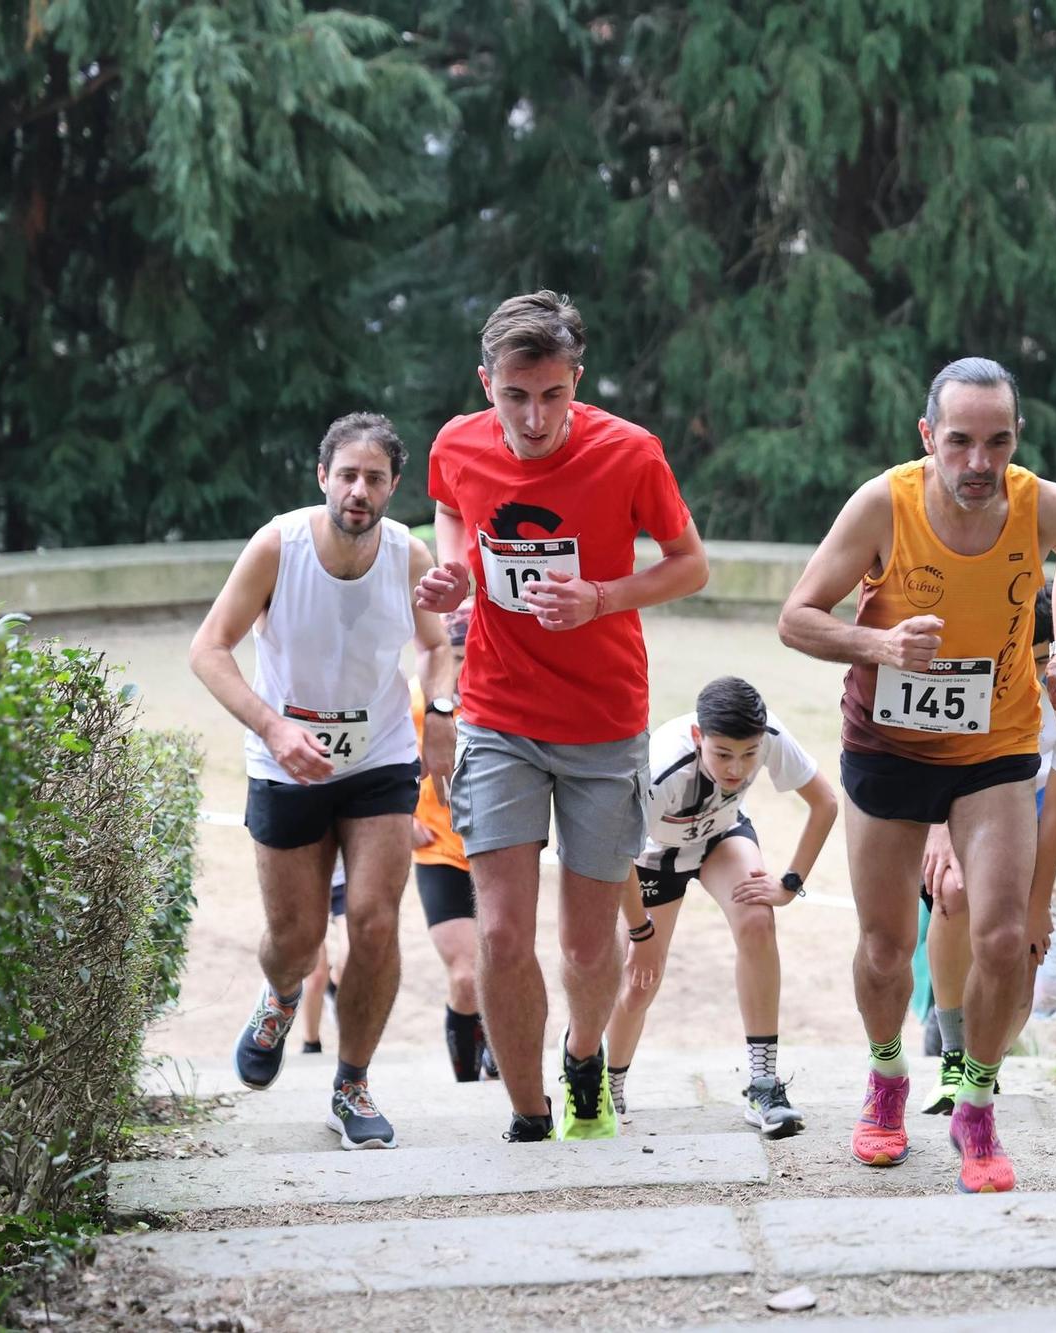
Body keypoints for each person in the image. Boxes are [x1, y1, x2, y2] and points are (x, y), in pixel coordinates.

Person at [779, 356, 1056, 1194]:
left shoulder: (1045, 507)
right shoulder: (884, 503)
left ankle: (979, 1103)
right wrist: (878, 644)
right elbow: (797, 618)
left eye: (997, 441)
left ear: (1016, 439)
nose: (979, 462)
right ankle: (887, 1078)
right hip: (887, 748)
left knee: (1000, 936)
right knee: (887, 948)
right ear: (930, 437)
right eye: (960, 441)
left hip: (994, 747)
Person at [415, 290, 708, 1143]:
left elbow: (690, 565)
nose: (535, 417)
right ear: (487, 384)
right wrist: (455, 567)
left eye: (553, 394)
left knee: (585, 948)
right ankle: (529, 1111)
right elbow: (447, 505)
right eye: (515, 395)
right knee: (502, 935)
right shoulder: (457, 444)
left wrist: (601, 597)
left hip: (601, 721)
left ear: (576, 380)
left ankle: (586, 1055)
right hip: (498, 714)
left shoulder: (631, 452)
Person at [190, 412, 454, 1150]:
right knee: (297, 938)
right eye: (347, 475)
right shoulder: (278, 546)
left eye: (375, 478)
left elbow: (438, 648)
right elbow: (208, 648)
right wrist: (273, 728)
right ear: (322, 477)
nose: (359, 490)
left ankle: (352, 1083)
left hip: (377, 763)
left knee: (373, 920)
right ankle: (278, 998)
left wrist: (439, 709)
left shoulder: (408, 555)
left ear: (394, 486)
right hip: (286, 763)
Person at [606, 676, 840, 1137]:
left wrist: (790, 883)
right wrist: (641, 933)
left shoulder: (767, 735)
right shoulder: (662, 768)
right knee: (639, 982)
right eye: (723, 755)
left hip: (719, 836)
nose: (738, 769)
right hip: (651, 859)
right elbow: (617, 858)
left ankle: (764, 1084)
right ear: (699, 738)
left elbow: (826, 803)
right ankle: (607, 1086)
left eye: (749, 755)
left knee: (758, 921)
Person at [920, 586, 1056, 1113]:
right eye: (1028, 659)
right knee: (952, 892)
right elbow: (936, 753)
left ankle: (987, 1062)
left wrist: (1038, 904)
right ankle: (954, 1056)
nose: (1042, 675)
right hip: (963, 794)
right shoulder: (974, 673)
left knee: (1022, 950)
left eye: (1050, 659)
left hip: (1032, 804)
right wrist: (938, 831)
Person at [409, 601, 498, 1082]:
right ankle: (467, 1087)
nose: (462, 671)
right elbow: (384, 762)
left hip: (499, 850)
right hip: (440, 852)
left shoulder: (503, 699)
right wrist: (402, 819)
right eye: (455, 659)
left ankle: (498, 1054)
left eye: (471, 657)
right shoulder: (418, 701)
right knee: (466, 975)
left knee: (502, 968)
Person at [299, 858, 347, 1054]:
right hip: (304, 883)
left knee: (354, 958)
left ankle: (334, 983)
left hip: (345, 879)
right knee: (316, 976)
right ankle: (311, 1044)